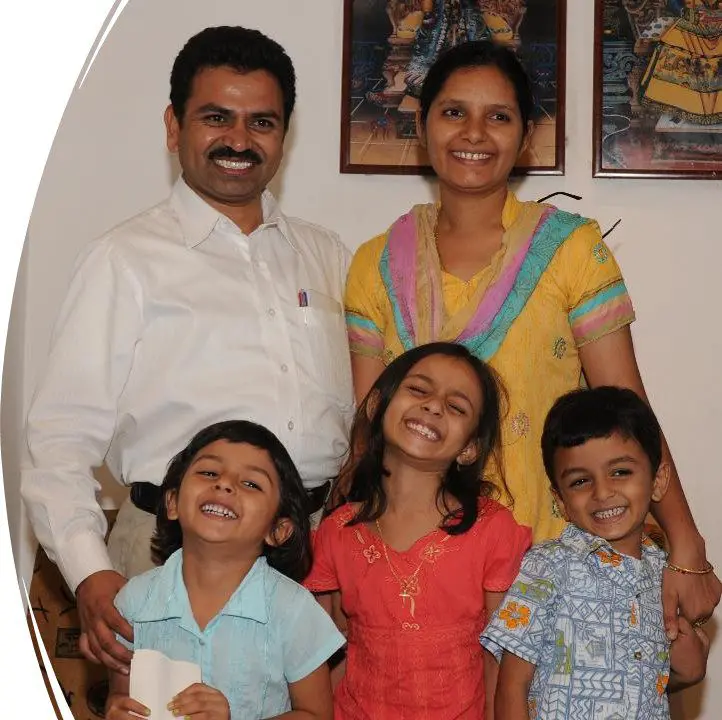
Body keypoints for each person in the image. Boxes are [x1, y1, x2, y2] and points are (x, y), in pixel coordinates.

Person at [343, 38, 720, 634]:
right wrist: (341, 565)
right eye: (453, 112)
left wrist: (685, 542)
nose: (474, 133)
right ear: (422, 126)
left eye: (499, 116)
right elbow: (368, 432)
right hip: (413, 578)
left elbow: (628, 411)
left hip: (554, 567)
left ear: (524, 138)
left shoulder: (571, 251)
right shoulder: (375, 264)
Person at [21, 25, 353, 676]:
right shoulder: (125, 260)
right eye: (215, 117)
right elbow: (58, 441)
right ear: (174, 127)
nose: (239, 139)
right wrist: (91, 575)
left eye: (262, 121)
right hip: (167, 557)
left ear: (285, 133)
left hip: (316, 559)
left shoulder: (329, 256)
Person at [306, 342, 531, 719]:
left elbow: (502, 663)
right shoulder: (337, 531)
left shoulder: (493, 530)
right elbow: (331, 656)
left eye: (457, 407)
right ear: (377, 407)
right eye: (418, 389)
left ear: (470, 448)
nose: (433, 406)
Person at [481, 387, 710, 719]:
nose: (602, 492)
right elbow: (512, 684)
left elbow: (653, 680)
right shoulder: (548, 566)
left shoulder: (666, 576)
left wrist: (688, 668)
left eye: (620, 472)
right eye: (579, 481)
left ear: (658, 480)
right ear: (560, 500)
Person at [106, 420, 344, 720]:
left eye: (251, 484)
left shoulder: (294, 610)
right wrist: (116, 709)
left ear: (279, 529)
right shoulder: (133, 602)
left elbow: (316, 715)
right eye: (208, 473)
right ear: (172, 502)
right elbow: (121, 695)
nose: (224, 484)